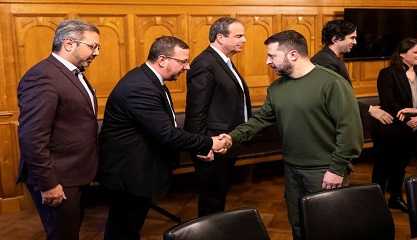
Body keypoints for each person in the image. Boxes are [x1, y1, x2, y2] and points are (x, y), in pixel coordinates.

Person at [219, 30, 363, 240]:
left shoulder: (332, 83)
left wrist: (337, 168)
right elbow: (261, 120)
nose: (268, 62)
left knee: (328, 228)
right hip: (292, 169)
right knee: (298, 225)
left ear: (293, 55)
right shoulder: (277, 88)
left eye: (272, 56)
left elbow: (350, 130)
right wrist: (231, 137)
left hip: (325, 171)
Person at [98, 36, 227, 240]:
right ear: (162, 60)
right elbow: (167, 133)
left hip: (139, 169)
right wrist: (209, 142)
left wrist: (199, 147)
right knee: (123, 230)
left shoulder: (149, 80)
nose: (187, 67)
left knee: (128, 227)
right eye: (183, 61)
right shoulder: (140, 87)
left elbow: (167, 128)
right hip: (129, 173)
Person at [17, 19, 100, 240]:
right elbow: (32, 137)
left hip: (75, 173)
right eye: (93, 46)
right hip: (57, 177)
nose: (97, 52)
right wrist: (49, 183)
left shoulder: (74, 73)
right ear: (69, 43)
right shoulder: (43, 76)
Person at [184, 17, 251, 217]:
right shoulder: (205, 63)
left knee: (218, 196)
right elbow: (196, 109)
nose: (244, 40)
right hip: (213, 144)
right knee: (211, 200)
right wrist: (202, 145)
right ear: (220, 37)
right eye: (238, 36)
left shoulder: (223, 61)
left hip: (225, 142)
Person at [372, 38, 417, 211]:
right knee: (383, 165)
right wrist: (408, 119)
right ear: (403, 54)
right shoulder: (387, 73)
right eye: (416, 52)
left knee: (401, 166)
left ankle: (395, 197)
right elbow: (389, 103)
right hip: (391, 128)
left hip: (413, 128)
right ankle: (376, 201)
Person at [311, 19, 394, 125]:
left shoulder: (331, 58)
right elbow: (336, 98)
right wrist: (370, 109)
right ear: (335, 39)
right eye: (352, 38)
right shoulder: (325, 61)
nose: (355, 42)